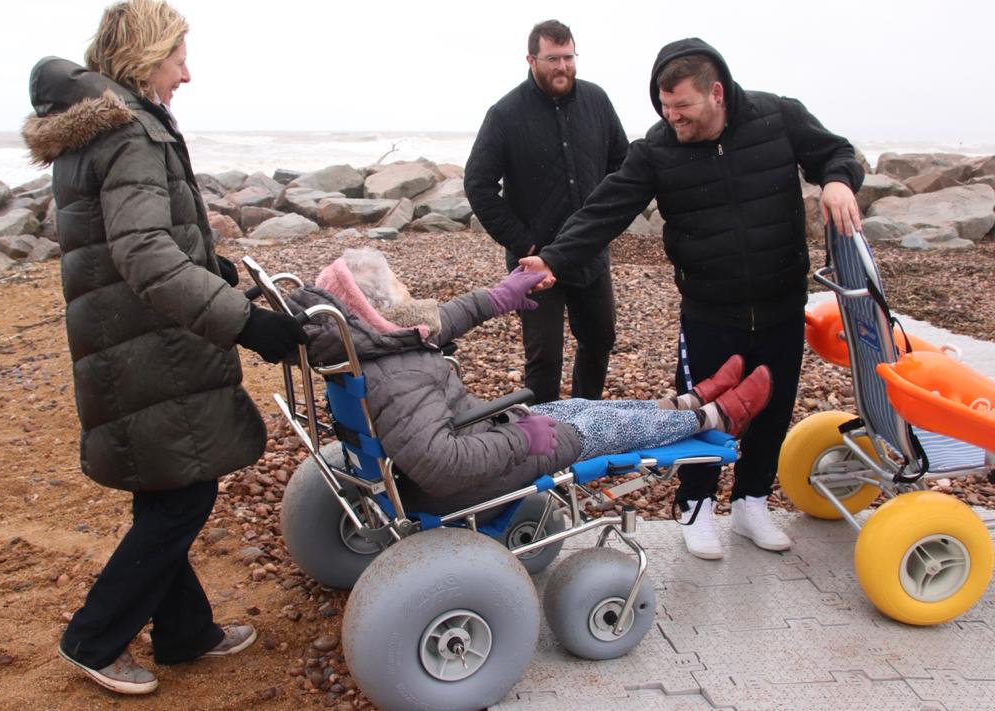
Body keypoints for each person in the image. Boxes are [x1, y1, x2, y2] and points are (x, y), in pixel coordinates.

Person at [22, 0, 307, 695]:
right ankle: (93, 636)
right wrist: (244, 321)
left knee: (166, 485)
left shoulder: (98, 127)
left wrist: (216, 267)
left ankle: (185, 631)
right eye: (179, 56)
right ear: (149, 56)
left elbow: (139, 235)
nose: (187, 72)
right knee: (184, 491)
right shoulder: (130, 134)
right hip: (150, 344)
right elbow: (144, 252)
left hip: (124, 339)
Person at [520, 38, 865, 560]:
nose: (671, 116)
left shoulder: (778, 117)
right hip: (709, 308)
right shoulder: (658, 148)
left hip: (780, 300)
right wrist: (554, 259)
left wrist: (839, 182)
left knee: (771, 407)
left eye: (682, 106)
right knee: (701, 411)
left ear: (717, 94)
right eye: (664, 105)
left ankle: (751, 503)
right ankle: (696, 507)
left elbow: (835, 152)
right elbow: (605, 210)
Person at [288, 248, 772, 516]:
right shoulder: (398, 372)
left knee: (582, 405)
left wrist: (502, 296)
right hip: (461, 478)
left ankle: (685, 403)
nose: (410, 293)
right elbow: (440, 467)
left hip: (477, 431)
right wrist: (520, 437)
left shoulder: (371, 341)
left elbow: (437, 318)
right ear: (378, 306)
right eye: (399, 288)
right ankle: (717, 417)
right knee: (592, 430)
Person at [464, 19, 629, 404]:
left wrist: (603, 222)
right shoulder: (505, 114)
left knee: (600, 340)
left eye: (569, 57)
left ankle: (587, 420)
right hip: (534, 263)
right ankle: (542, 445)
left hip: (588, 254)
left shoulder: (597, 101)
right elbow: (478, 184)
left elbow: (622, 164)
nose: (562, 67)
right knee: (544, 359)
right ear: (531, 59)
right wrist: (524, 242)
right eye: (552, 58)